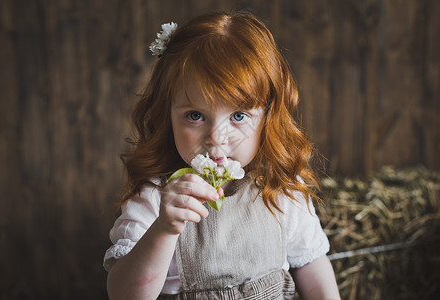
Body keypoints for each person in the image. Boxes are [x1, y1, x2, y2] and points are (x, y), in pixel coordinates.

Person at [104, 11, 340, 300]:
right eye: (195, 116)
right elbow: (124, 295)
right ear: (168, 115)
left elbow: (311, 265)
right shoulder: (156, 197)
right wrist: (164, 229)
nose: (216, 136)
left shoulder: (280, 188)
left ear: (267, 117)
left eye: (238, 115)